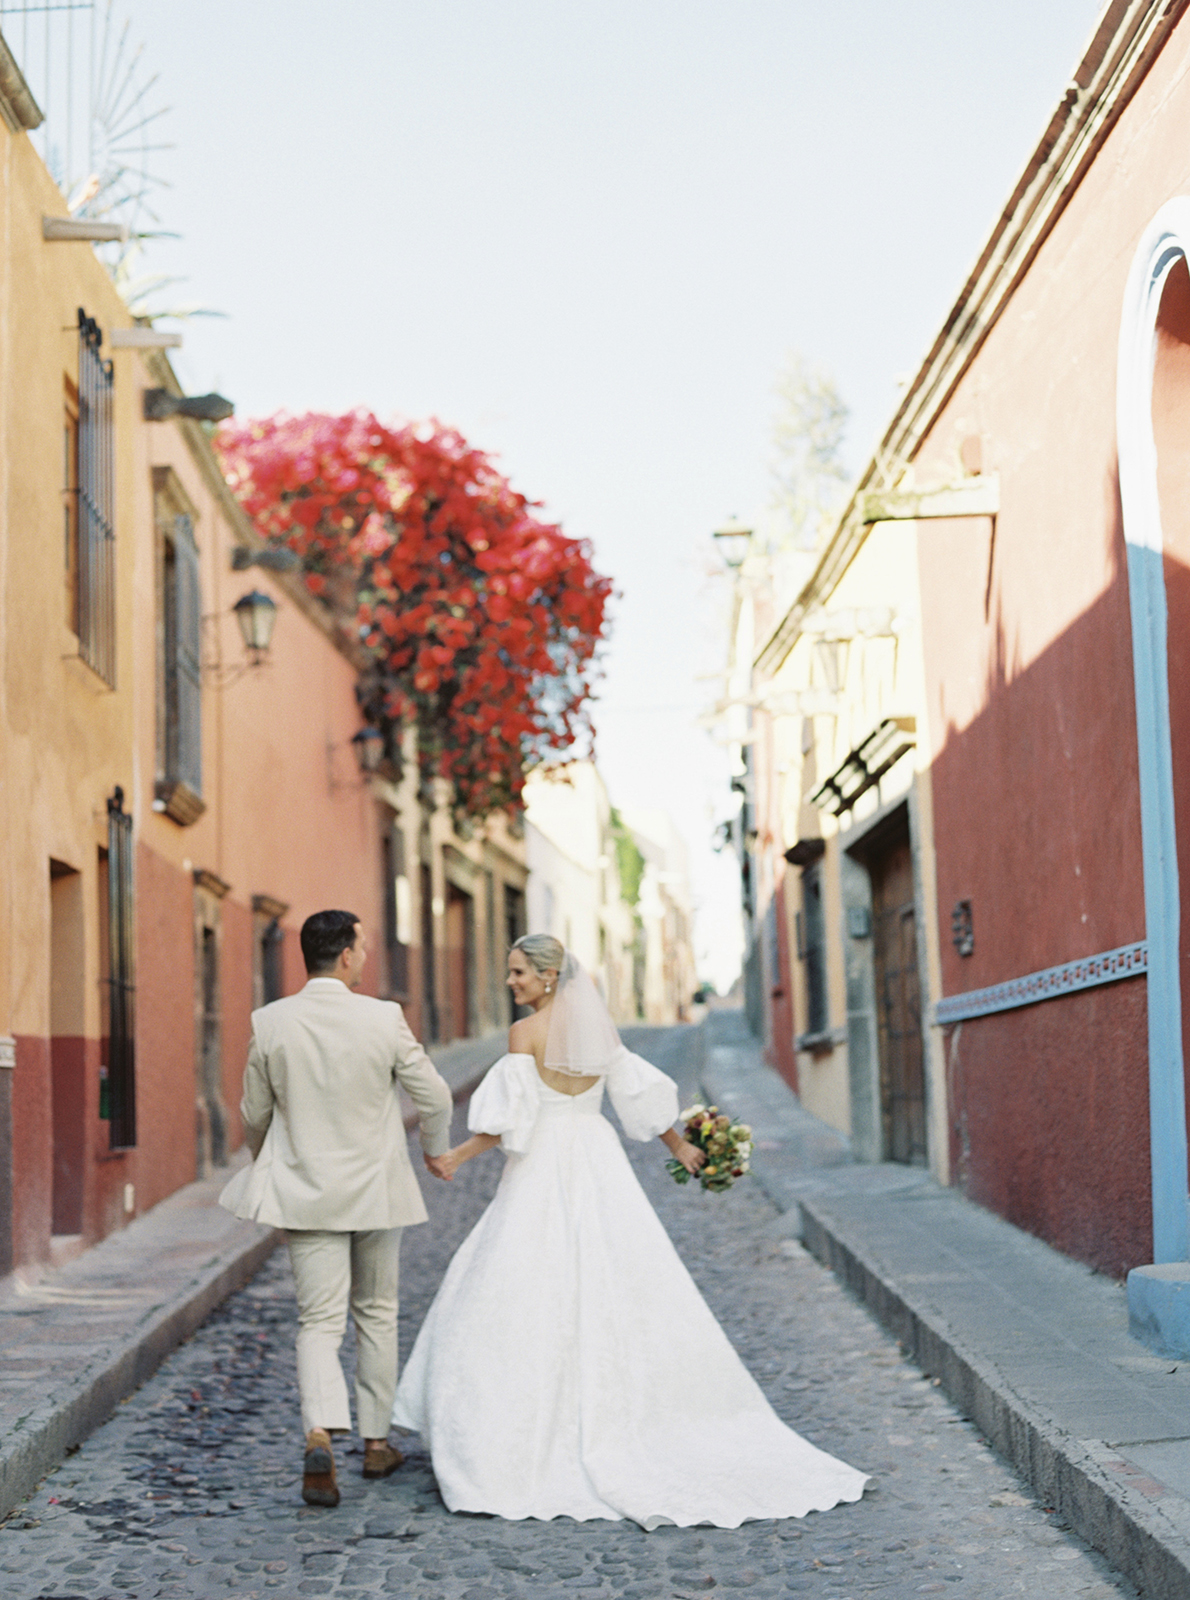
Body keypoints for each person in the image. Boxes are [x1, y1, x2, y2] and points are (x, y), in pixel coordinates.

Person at [392, 933, 869, 1530]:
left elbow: (511, 1118)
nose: (510, 982)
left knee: (513, 1287)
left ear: (547, 976)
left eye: (518, 973)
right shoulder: (597, 1030)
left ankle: (511, 1437)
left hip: (543, 1162)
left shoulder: (524, 1035)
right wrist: (685, 1149)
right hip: (595, 1155)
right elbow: (634, 1095)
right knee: (622, 1279)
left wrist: (458, 1156)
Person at [220, 909, 453, 1508]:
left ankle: (320, 1432)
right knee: (377, 1311)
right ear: (346, 955)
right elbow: (434, 1094)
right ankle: (376, 1445)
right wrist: (433, 1150)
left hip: (305, 1189)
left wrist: (267, 1157)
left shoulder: (271, 1022)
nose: (367, 955)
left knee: (319, 1322)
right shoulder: (383, 1017)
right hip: (376, 1189)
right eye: (365, 946)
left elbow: (253, 1112)